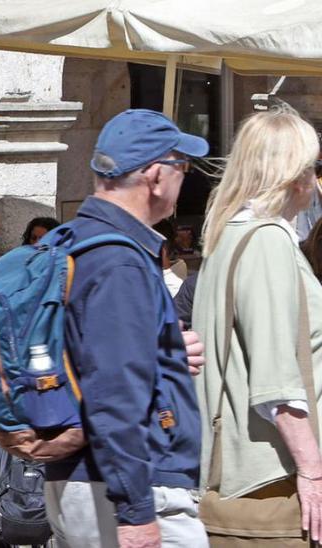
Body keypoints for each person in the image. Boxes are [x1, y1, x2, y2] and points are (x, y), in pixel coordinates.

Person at [39, 109, 208, 547]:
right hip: (127, 486)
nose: (184, 179)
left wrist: (162, 353)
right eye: (183, 167)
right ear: (155, 174)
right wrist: (135, 513)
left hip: (89, 479)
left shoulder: (74, 241)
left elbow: (90, 354)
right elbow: (114, 391)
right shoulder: (117, 261)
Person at [191, 108, 322, 546]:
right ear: (294, 173)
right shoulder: (266, 239)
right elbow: (276, 384)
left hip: (250, 475)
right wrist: (313, 471)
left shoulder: (228, 234)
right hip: (270, 479)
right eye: (312, 166)